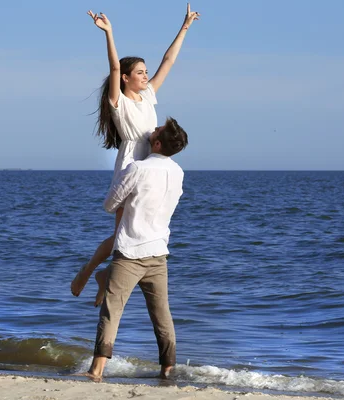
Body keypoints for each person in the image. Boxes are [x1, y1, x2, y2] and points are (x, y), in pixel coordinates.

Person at [70, 4, 200, 306]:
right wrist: (109, 33)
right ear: (126, 78)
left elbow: (168, 62)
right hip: (132, 163)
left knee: (129, 233)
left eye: (145, 71)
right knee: (120, 234)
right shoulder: (119, 102)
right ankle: (90, 272)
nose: (145, 75)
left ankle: (102, 276)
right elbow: (114, 67)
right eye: (140, 72)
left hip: (153, 165)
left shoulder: (147, 96)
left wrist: (185, 27)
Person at [86, 116, 189, 381]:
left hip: (131, 252)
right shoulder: (178, 172)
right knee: (162, 315)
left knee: (112, 311)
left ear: (155, 142)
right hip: (159, 251)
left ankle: (97, 371)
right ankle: (168, 369)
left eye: (157, 129)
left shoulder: (137, 169)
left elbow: (110, 205)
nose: (153, 129)